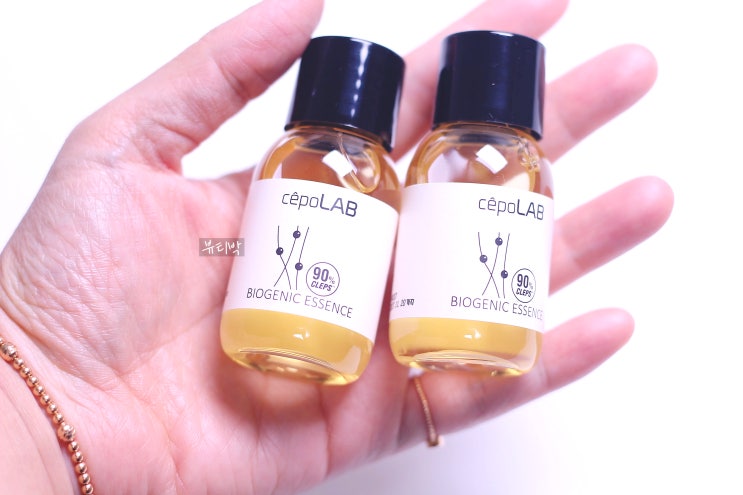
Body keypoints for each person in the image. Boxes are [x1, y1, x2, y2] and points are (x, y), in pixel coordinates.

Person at [0, 0, 674, 493]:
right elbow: (226, 246)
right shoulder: (310, 154)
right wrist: (46, 361)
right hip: (254, 342)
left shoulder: (498, 163)